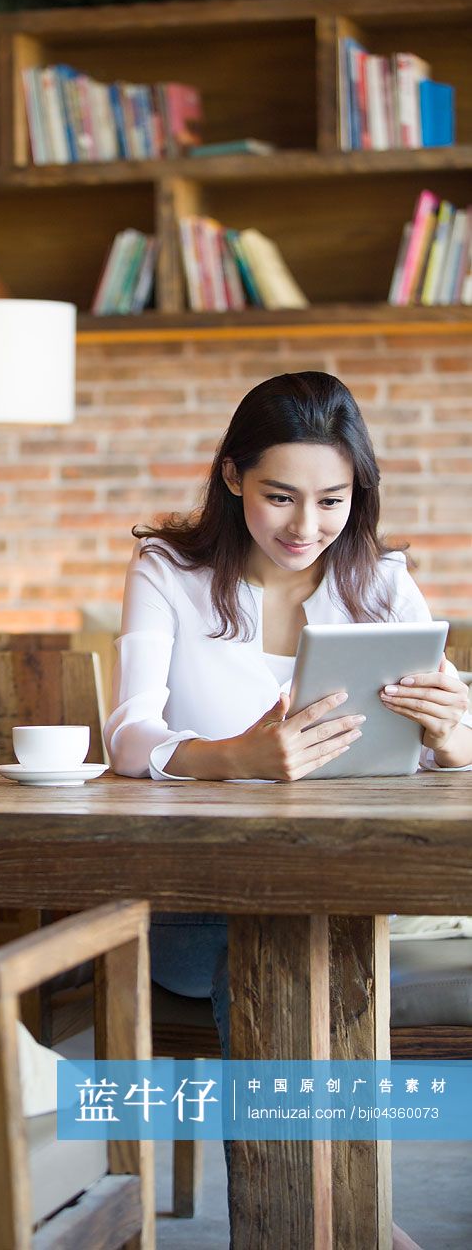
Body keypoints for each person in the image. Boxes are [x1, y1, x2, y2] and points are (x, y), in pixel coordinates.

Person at [103, 371, 472, 1250]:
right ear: (232, 477)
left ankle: (328, 1226)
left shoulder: (381, 583)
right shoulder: (169, 571)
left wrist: (454, 738)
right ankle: (350, 1226)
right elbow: (126, 733)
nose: (305, 527)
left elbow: (447, 741)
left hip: (343, 891)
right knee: (263, 947)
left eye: (332, 500)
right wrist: (237, 757)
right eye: (279, 496)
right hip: (195, 902)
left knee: (308, 939)